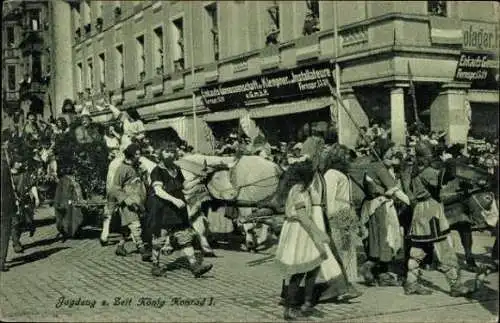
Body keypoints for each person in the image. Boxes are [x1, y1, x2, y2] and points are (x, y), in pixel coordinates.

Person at [400, 142, 471, 297]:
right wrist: (449, 163)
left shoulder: (412, 169)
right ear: (426, 156)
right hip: (431, 211)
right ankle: (455, 285)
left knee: (418, 249)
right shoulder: (428, 171)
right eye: (430, 154)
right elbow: (443, 179)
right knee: (444, 247)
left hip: (419, 210)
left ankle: (411, 283)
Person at [146, 141, 213, 278]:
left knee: (184, 237)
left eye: (172, 152)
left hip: (178, 210)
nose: (170, 155)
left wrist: (199, 180)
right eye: (166, 152)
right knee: (159, 238)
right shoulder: (157, 171)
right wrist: (175, 200)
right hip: (162, 209)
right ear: (161, 154)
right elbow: (158, 191)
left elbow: (184, 186)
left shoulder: (176, 169)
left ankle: (195, 266)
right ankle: (155, 265)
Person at [359, 148, 410, 287]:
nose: (396, 161)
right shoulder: (380, 168)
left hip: (374, 206)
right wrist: (409, 202)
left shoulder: (376, 166)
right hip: (381, 206)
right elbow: (395, 190)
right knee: (386, 238)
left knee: (379, 239)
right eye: (394, 157)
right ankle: (368, 268)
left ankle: (382, 274)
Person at [108, 143, 147, 256]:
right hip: (128, 202)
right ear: (131, 155)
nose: (139, 156)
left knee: (128, 227)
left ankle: (120, 247)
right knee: (135, 224)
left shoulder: (136, 167)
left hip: (138, 200)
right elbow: (115, 188)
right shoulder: (122, 169)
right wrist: (127, 201)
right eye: (137, 154)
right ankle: (142, 249)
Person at [10, 156, 39, 253]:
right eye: (18, 162)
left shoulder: (24, 174)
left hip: (24, 201)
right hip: (11, 202)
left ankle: (17, 239)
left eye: (21, 162)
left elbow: (32, 185)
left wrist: (37, 197)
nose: (20, 164)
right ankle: (16, 243)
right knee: (15, 222)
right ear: (13, 163)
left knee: (23, 222)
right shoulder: (7, 175)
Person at [1, 150, 16, 272]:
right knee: (5, 233)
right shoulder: (4, 167)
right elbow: (9, 189)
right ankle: (1, 261)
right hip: (4, 205)